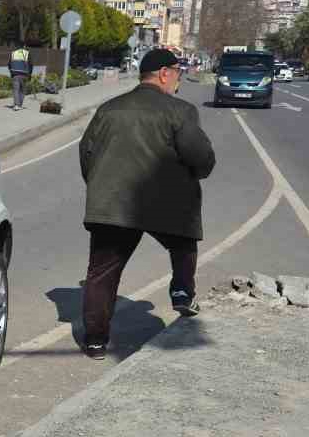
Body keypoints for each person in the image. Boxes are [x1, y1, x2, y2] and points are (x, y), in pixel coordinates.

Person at [77, 48, 216, 360]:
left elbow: (87, 154)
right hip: (165, 206)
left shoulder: (108, 109)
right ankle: (182, 291)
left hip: (112, 206)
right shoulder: (180, 111)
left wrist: (100, 187)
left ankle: (96, 341)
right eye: (178, 73)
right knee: (183, 242)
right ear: (164, 74)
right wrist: (195, 175)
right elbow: (201, 158)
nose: (179, 79)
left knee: (102, 273)